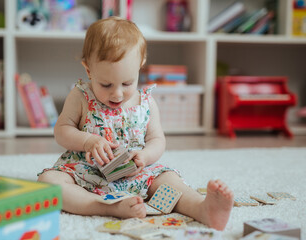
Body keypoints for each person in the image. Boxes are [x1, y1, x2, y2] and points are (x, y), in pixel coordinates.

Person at [37, 16, 234, 231]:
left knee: (169, 180)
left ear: (140, 65)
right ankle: (105, 207)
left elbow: (156, 139)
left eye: (127, 83)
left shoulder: (146, 101)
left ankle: (202, 208)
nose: (117, 93)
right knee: (49, 182)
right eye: (106, 84)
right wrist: (88, 141)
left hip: (137, 174)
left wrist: (145, 156)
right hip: (84, 172)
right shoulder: (80, 96)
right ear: (88, 70)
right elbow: (62, 131)